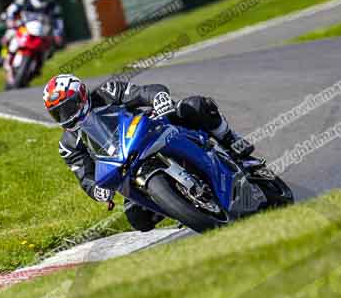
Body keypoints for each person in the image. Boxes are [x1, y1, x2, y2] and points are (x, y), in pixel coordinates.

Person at [43, 74, 259, 232]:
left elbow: (142, 92)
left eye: (68, 107)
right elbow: (84, 176)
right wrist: (96, 191)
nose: (66, 115)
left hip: (149, 130)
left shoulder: (106, 92)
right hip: (123, 167)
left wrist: (158, 98)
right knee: (138, 219)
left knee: (195, 105)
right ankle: (180, 205)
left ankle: (231, 141)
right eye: (58, 113)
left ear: (81, 95)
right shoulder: (68, 144)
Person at [0, 0, 65, 59]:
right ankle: (4, 55)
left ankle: (39, 60)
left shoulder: (53, 6)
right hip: (23, 25)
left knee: (50, 49)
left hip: (42, 30)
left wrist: (58, 34)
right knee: (7, 37)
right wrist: (10, 19)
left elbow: (58, 21)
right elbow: (11, 10)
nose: (40, 0)